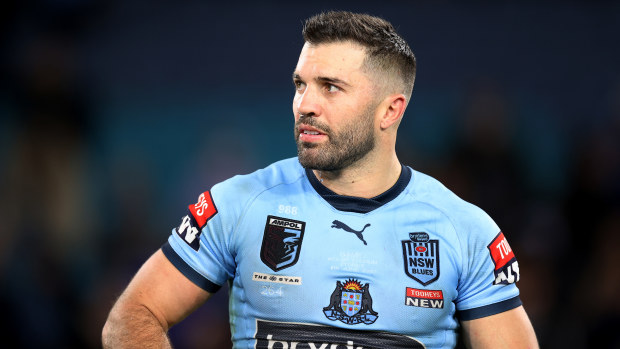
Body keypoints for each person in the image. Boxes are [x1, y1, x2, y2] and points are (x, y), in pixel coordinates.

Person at [102, 11, 538, 348]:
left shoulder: (466, 232)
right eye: (300, 84)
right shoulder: (238, 205)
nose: (304, 104)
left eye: (330, 86)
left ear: (390, 110)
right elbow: (131, 316)